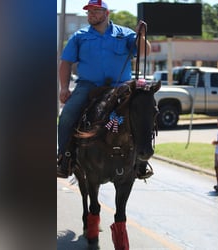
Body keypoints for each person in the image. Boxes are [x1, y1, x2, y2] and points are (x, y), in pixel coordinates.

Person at [57, 0, 152, 179]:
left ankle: (142, 161)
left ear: (106, 14)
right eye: (89, 11)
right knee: (67, 116)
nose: (91, 14)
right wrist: (63, 88)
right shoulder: (79, 36)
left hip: (121, 87)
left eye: (96, 11)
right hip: (88, 86)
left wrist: (141, 36)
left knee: (143, 114)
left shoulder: (125, 34)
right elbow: (66, 62)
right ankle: (64, 158)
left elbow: (144, 52)